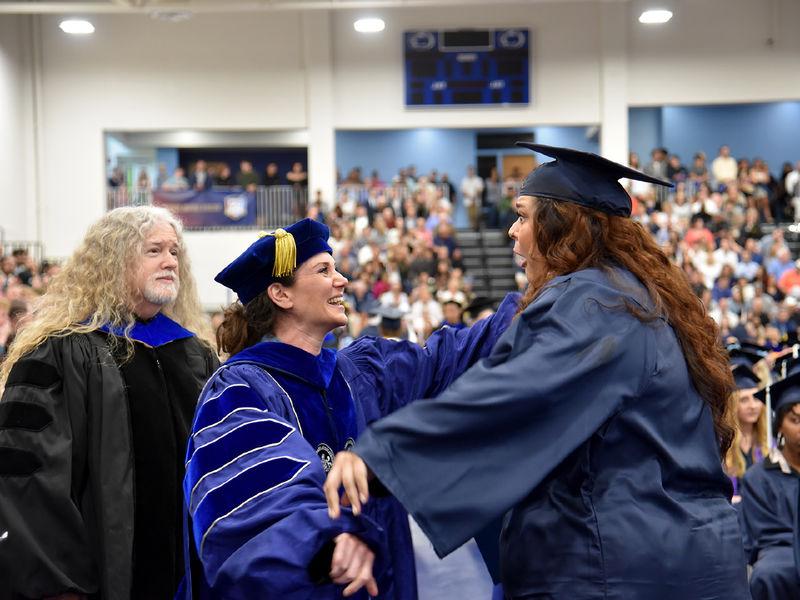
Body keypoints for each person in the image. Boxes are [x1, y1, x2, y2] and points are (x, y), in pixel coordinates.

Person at [325, 143, 750, 599]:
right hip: (675, 556)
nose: (512, 230)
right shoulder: (642, 300)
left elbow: (516, 394)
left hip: (616, 566)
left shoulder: (593, 302)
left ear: (562, 225)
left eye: (524, 216)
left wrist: (385, 456)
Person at [182, 218, 518, 599]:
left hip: (378, 582)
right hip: (313, 583)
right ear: (281, 294)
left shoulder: (363, 370)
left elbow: (452, 356)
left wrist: (538, 301)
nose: (342, 280)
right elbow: (255, 493)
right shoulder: (240, 388)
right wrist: (328, 538)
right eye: (324, 270)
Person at [0, 206, 219, 599]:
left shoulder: (195, 356)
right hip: (96, 580)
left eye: (174, 252)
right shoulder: (62, 353)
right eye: (154, 251)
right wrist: (60, 584)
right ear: (113, 261)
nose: (170, 261)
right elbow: (30, 479)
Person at [741, 373, 800, 599]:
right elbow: (764, 535)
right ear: (779, 427)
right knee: (769, 574)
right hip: (780, 551)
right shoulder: (758, 478)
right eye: (795, 420)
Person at [725, 364, 769, 502]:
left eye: (756, 398)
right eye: (744, 400)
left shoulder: (769, 443)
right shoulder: (722, 445)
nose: (753, 405)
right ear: (733, 405)